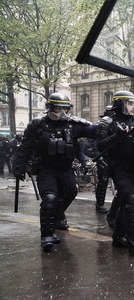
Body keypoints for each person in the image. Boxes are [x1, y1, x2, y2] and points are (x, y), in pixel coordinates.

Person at [11, 92, 99, 252]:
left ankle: (57, 217)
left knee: (71, 192)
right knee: (50, 198)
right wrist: (19, 167)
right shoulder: (38, 125)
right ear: (51, 107)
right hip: (46, 169)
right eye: (59, 108)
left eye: (66, 108)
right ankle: (47, 235)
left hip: (66, 169)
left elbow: (95, 131)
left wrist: (110, 125)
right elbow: (25, 147)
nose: (63, 112)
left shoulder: (74, 125)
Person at [97, 90, 134, 254]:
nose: (133, 106)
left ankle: (118, 237)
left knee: (126, 203)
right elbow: (100, 146)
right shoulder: (108, 122)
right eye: (129, 103)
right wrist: (117, 135)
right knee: (132, 199)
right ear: (120, 104)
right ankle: (133, 240)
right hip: (118, 167)